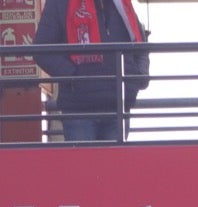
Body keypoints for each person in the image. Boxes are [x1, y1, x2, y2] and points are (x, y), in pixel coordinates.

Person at [30, 0, 148, 142]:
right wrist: (73, 75)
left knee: (113, 164)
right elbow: (41, 50)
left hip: (118, 105)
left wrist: (138, 76)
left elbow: (140, 44)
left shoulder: (122, 4)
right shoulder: (61, 3)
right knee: (84, 163)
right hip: (80, 108)